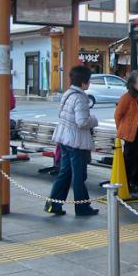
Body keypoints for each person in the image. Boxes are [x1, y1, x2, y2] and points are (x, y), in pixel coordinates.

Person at [45, 66, 99, 217]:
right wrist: (94, 120)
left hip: (64, 140)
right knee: (79, 176)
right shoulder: (80, 97)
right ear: (84, 82)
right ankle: (82, 207)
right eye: (88, 81)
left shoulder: (68, 94)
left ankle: (54, 205)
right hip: (76, 142)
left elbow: (60, 114)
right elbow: (82, 122)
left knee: (65, 173)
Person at [114, 71, 138, 194]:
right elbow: (118, 115)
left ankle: (135, 182)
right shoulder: (127, 97)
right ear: (132, 84)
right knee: (129, 158)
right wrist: (122, 130)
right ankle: (126, 183)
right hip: (131, 132)